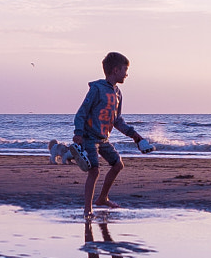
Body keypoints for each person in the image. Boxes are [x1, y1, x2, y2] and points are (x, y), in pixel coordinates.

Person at [49, 51, 152, 216]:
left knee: (118, 165)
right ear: (115, 70)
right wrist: (78, 133)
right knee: (94, 170)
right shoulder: (97, 89)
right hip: (89, 137)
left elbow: (117, 120)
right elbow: (82, 112)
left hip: (103, 139)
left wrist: (136, 136)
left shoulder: (118, 93)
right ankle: (87, 208)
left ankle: (103, 198)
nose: (127, 74)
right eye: (125, 70)